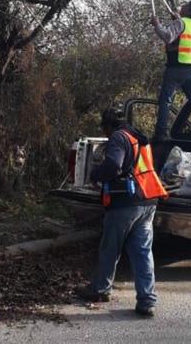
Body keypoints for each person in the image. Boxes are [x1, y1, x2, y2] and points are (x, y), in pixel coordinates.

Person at [77, 106, 168, 317]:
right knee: (143, 252)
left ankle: (100, 289)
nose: (104, 134)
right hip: (148, 200)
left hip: (125, 203)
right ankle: (147, 301)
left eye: (104, 129)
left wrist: (95, 175)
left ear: (109, 125)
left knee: (110, 248)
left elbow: (114, 166)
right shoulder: (138, 137)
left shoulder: (118, 138)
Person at [151, 0, 191, 139]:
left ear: (188, 11)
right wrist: (177, 19)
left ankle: (161, 133)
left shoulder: (181, 23)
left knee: (165, 100)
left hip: (175, 68)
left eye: (184, 6)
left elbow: (167, 37)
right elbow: (182, 33)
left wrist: (157, 25)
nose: (181, 7)